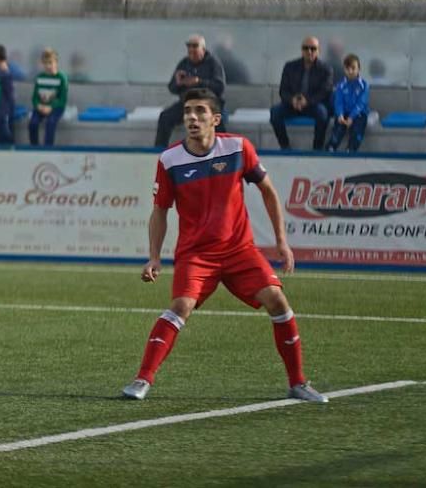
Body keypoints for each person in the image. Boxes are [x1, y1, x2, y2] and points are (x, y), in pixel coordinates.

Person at [121, 87, 327, 405]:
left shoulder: (238, 148)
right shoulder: (170, 159)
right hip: (196, 254)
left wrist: (281, 242)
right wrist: (154, 257)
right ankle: (142, 379)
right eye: (188, 111)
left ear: (215, 118)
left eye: (201, 111)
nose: (192, 117)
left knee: (278, 301)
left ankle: (298, 383)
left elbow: (269, 191)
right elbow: (160, 210)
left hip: (239, 250)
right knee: (181, 307)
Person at [155, 35, 227, 148]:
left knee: (215, 120)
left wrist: (199, 82)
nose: (192, 53)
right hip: (187, 103)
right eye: (190, 50)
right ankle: (159, 150)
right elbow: (172, 88)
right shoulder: (184, 63)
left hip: (208, 104)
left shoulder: (213, 63)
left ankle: (223, 151)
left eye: (195, 49)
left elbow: (220, 87)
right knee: (165, 117)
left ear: (203, 50)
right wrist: (178, 83)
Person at [269, 36, 333, 150]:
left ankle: (317, 148)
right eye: (306, 48)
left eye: (313, 49)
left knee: (323, 114)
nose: (309, 51)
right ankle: (285, 146)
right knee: (275, 112)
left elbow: (325, 92)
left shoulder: (326, 69)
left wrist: (307, 101)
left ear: (318, 51)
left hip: (313, 104)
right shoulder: (290, 66)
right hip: (293, 104)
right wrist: (292, 100)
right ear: (302, 50)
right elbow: (283, 90)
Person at [326, 54, 370, 153]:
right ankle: (331, 147)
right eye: (347, 68)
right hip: (344, 113)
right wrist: (340, 114)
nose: (350, 71)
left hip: (359, 114)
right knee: (338, 129)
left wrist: (351, 117)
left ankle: (351, 149)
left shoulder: (364, 85)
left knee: (357, 130)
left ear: (359, 69)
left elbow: (361, 103)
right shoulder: (341, 85)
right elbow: (338, 102)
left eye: (353, 68)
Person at [28, 48, 69, 147]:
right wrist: (38, 106)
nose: (48, 66)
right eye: (45, 63)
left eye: (50, 62)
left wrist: (51, 107)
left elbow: (62, 99)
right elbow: (34, 97)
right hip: (41, 107)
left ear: (56, 62)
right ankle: (34, 147)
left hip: (55, 108)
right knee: (32, 123)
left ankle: (48, 148)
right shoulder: (40, 77)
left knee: (50, 123)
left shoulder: (62, 78)